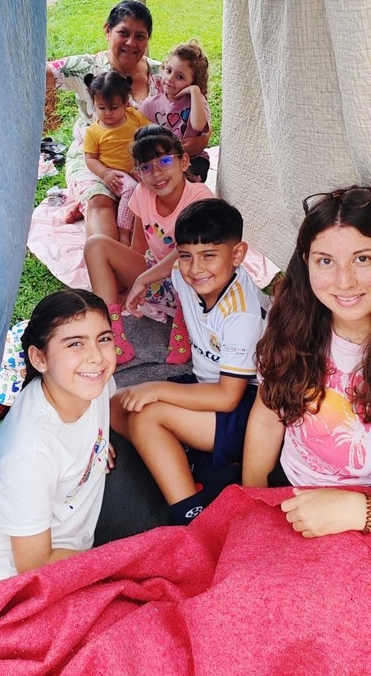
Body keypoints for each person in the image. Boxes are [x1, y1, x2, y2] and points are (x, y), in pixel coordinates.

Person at [242, 186, 371, 542]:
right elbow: (269, 411)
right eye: (325, 261)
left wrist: (355, 511)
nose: (343, 282)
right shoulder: (290, 319)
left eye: (362, 259)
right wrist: (252, 499)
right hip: (291, 490)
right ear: (305, 262)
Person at [112, 199, 269, 525]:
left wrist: (157, 389)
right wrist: (144, 278)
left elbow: (228, 398)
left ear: (238, 254)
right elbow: (175, 260)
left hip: (245, 406)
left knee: (147, 416)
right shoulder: (185, 273)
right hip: (204, 385)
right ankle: (180, 453)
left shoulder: (241, 313)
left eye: (209, 255)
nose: (196, 268)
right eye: (187, 256)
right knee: (115, 404)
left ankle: (190, 515)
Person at [0, 289, 117, 584]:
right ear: (40, 358)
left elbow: (103, 413)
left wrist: (98, 443)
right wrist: (115, 565)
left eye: (103, 339)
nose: (96, 357)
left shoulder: (91, 382)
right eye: (75, 344)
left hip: (64, 543)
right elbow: (34, 565)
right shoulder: (29, 456)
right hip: (1, 579)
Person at [46, 1, 206, 239]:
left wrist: (194, 143)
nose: (131, 43)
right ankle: (93, 211)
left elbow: (198, 125)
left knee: (164, 215)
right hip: (96, 160)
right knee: (101, 206)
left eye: (140, 36)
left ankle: (92, 209)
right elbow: (36, 75)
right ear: (107, 30)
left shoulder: (165, 75)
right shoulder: (86, 68)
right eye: (123, 33)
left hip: (145, 164)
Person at [84, 125, 214, 366]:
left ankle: (185, 327)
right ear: (138, 174)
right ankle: (113, 336)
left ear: (184, 161)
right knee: (95, 245)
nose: (156, 173)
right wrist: (130, 282)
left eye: (165, 160)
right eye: (146, 167)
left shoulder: (200, 198)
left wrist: (143, 280)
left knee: (189, 260)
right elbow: (138, 244)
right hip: (160, 280)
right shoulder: (142, 193)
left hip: (198, 283)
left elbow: (186, 251)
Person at [83, 71, 151, 244]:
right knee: (131, 189)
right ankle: (123, 233)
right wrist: (105, 173)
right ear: (94, 103)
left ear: (125, 102)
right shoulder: (93, 132)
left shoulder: (134, 116)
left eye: (114, 107)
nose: (108, 113)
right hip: (114, 173)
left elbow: (150, 132)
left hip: (137, 167)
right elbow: (90, 159)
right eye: (101, 108)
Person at [139, 40, 212, 182]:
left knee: (190, 178)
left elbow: (198, 126)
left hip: (192, 159)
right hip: (161, 163)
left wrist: (195, 91)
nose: (170, 79)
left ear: (193, 82)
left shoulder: (196, 100)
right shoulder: (149, 105)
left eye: (180, 77)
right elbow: (139, 138)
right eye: (168, 71)